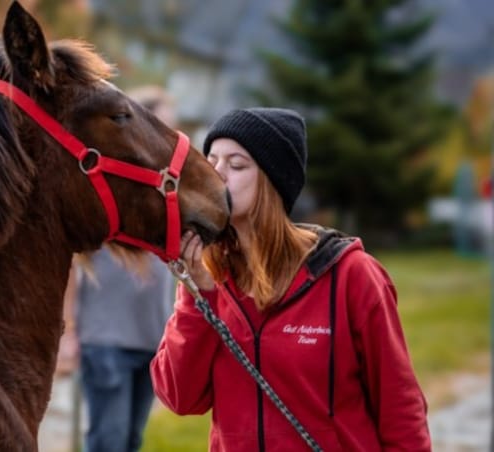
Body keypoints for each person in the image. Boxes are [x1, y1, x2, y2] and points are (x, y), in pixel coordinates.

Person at [150, 108, 431, 451]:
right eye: (211, 160)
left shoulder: (351, 276)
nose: (216, 174)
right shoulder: (208, 278)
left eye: (236, 165)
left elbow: (400, 407)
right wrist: (199, 297)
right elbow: (180, 398)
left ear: (273, 181)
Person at [55, 86, 177, 452]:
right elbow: (73, 265)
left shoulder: (161, 202)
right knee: (108, 441)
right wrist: (69, 331)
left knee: (130, 441)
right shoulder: (108, 193)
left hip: (151, 339)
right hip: (107, 339)